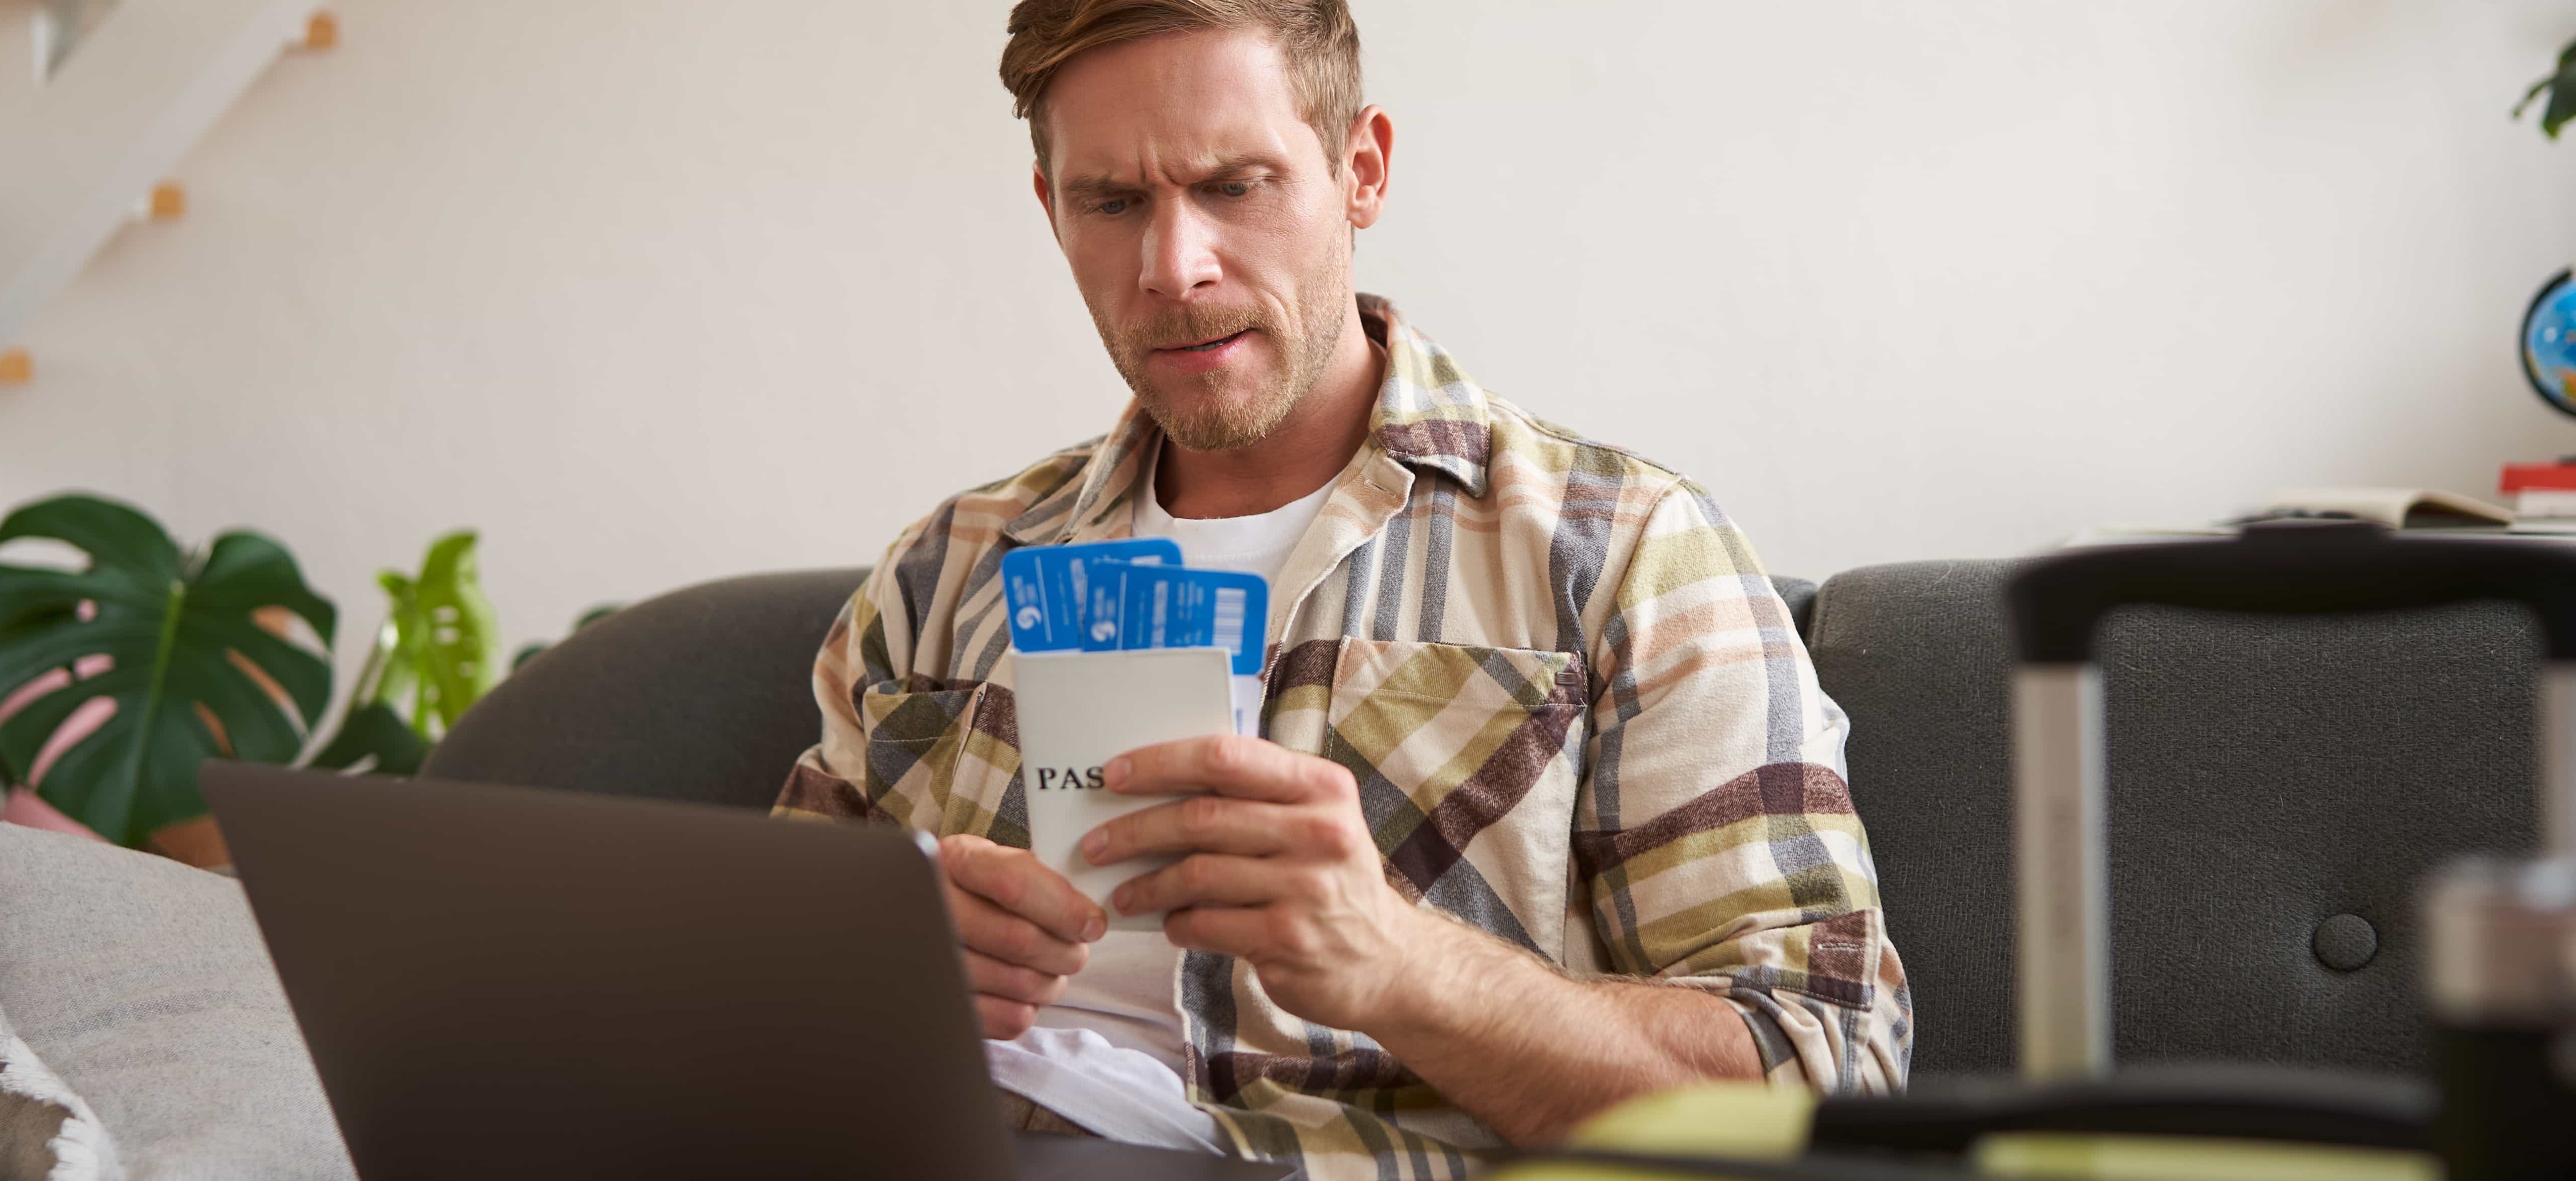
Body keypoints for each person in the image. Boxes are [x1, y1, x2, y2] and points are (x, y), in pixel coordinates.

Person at [775, 2, 1909, 1176]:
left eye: (1235, 185)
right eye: (1110, 202)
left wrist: (1401, 965)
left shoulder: (1627, 551)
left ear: (1360, 170)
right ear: (1049, 208)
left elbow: (1822, 1077)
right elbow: (748, 999)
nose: (1173, 267)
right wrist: (875, 978)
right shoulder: (942, 572)